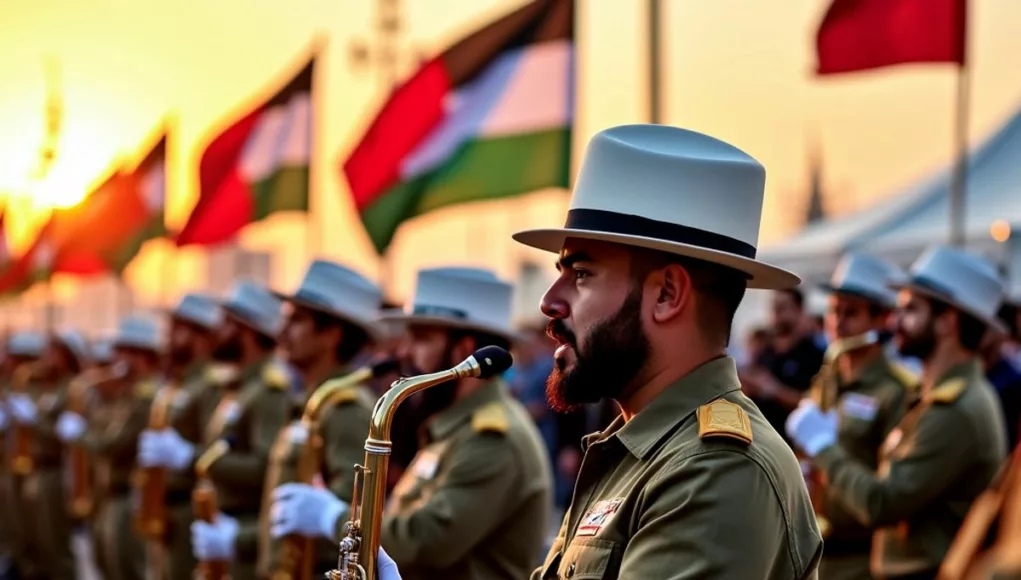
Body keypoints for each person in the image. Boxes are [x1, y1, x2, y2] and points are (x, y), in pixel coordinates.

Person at [344, 124, 827, 580]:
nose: (549, 303)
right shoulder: (639, 447)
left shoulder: (717, 470)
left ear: (666, 295)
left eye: (581, 274)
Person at [273, 266, 554, 580]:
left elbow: (425, 542)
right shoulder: (455, 426)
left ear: (464, 351)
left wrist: (332, 517)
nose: (405, 351)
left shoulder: (494, 439)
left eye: (421, 338)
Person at [788, 246, 1009, 579]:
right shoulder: (940, 397)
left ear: (947, 322)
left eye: (911, 309)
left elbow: (882, 503)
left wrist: (823, 446)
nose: (894, 320)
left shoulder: (956, 409)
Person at [257, 259, 384, 576]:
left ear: (331, 335)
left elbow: (354, 517)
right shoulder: (313, 401)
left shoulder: (346, 409)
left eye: (297, 321)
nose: (281, 331)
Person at [805, 253, 916, 579]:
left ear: (882, 320)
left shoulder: (898, 390)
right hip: (817, 549)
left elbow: (890, 491)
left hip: (861, 560)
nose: (837, 323)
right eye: (833, 311)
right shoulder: (827, 378)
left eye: (850, 313)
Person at [187, 281, 291, 580]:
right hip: (222, 524)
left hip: (244, 529)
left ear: (245, 331)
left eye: (227, 324)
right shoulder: (241, 386)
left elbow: (266, 466)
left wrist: (205, 460)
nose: (218, 331)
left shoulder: (268, 390)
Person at [57, 316, 164, 580]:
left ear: (142, 356)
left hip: (129, 497)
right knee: (106, 567)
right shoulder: (125, 393)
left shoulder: (144, 397)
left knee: (127, 571)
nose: (116, 358)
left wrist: (81, 434)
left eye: (124, 351)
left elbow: (113, 445)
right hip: (108, 495)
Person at [135, 293, 225, 580]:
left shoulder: (210, 385)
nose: (168, 337)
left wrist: (183, 454)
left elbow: (215, 450)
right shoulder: (178, 383)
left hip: (188, 507)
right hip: (165, 506)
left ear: (199, 337)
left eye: (177, 329)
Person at [6, 330, 89, 580]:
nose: (47, 358)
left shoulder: (71, 390)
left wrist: (33, 421)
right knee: (34, 543)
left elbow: (63, 436)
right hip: (35, 470)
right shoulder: (42, 388)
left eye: (54, 352)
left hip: (55, 472)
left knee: (56, 547)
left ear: (67, 357)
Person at [743, 288, 826, 444]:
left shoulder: (814, 355)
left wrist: (772, 389)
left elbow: (816, 405)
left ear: (799, 310)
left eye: (782, 308)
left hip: (795, 446)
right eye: (774, 309)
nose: (777, 316)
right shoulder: (765, 353)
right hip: (761, 443)